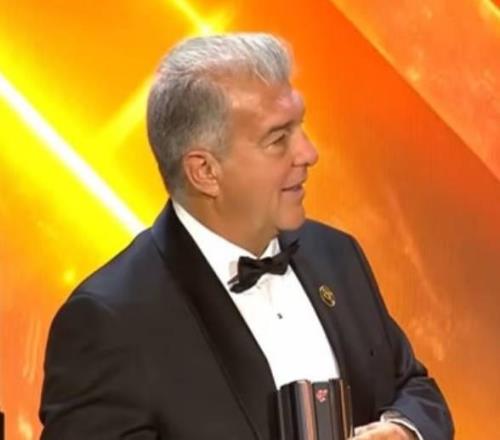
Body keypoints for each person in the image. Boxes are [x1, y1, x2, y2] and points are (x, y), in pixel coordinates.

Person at [39, 33, 454, 440]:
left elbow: (412, 386)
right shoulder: (110, 322)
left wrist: (403, 431)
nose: (309, 153)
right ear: (205, 171)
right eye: (278, 139)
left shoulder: (336, 254)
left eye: (300, 127)